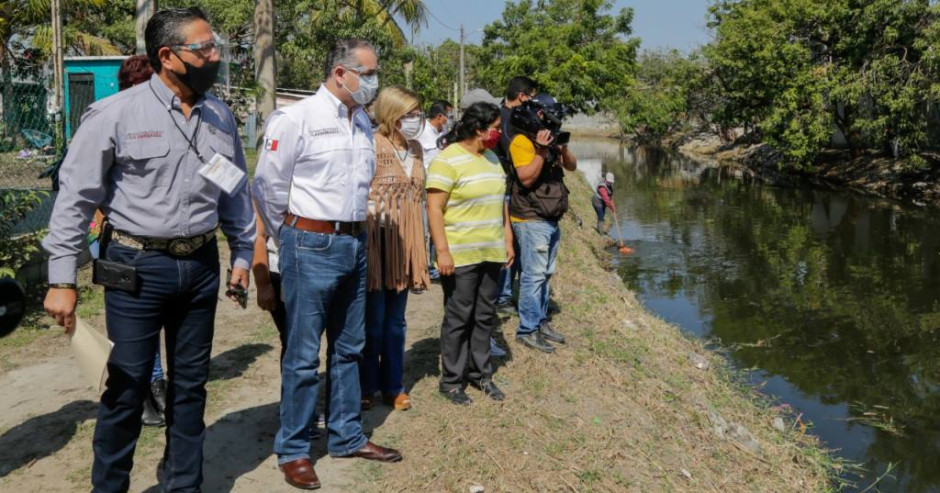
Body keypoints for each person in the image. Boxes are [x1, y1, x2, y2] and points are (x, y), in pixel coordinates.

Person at [42, 8, 256, 491]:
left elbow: (235, 193)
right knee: (125, 388)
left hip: (201, 265)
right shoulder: (115, 114)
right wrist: (61, 280)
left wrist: (243, 255)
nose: (214, 56)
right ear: (168, 56)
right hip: (135, 267)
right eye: (203, 49)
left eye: (214, 46)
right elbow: (75, 200)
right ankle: (110, 486)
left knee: (191, 387)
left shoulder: (220, 115)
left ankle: (185, 484)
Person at [253, 38, 402, 491]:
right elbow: (266, 186)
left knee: (349, 347)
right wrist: (293, 236)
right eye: (368, 74)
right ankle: (294, 449)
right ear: (341, 73)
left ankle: (346, 435)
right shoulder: (296, 118)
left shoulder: (360, 122)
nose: (373, 83)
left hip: (354, 244)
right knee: (301, 356)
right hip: (310, 243)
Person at [426, 101, 515, 405]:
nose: (498, 134)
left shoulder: (492, 158)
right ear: (479, 129)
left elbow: (501, 202)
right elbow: (434, 209)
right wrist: (442, 251)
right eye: (495, 128)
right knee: (459, 316)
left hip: (490, 251)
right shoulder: (447, 160)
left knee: (484, 315)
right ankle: (452, 381)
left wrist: (507, 238)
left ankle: (481, 374)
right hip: (461, 254)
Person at [359, 86, 429, 412]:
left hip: (406, 248)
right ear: (392, 114)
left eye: (418, 113)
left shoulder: (416, 149)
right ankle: (366, 385)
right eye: (409, 114)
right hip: (377, 244)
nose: (415, 120)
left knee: (396, 323)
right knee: (372, 321)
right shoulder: (370, 144)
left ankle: (394, 386)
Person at [506, 90, 578, 354]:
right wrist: (541, 150)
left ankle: (541, 320)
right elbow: (525, 178)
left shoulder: (550, 141)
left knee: (545, 275)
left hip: (550, 217)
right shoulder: (521, 142)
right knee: (533, 276)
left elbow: (572, 167)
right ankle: (527, 329)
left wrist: (563, 148)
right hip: (529, 218)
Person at [417, 100, 452, 282]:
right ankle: (423, 266)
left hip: (441, 187)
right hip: (425, 188)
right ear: (440, 116)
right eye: (449, 116)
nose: (449, 120)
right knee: (425, 228)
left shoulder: (444, 135)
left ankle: (434, 264)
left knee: (437, 227)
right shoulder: (422, 134)